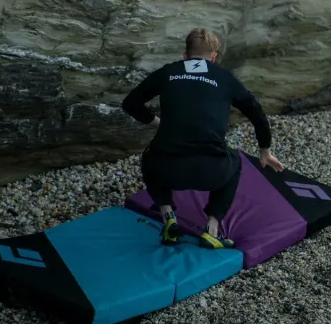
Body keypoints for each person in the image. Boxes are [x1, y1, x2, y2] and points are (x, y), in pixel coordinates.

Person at [121, 27, 284, 250]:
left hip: (168, 170)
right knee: (235, 160)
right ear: (214, 57)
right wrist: (265, 149)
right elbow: (256, 111)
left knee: (150, 156)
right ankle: (212, 229)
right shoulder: (224, 77)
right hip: (212, 173)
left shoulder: (168, 72)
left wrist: (158, 123)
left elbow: (130, 103)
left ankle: (168, 216)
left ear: (185, 56)